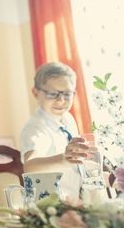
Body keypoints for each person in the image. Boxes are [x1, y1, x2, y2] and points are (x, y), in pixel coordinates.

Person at [19, 62, 88, 201]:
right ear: (36, 93)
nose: (61, 100)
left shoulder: (68, 119)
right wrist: (62, 160)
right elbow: (30, 166)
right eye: (52, 94)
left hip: (73, 201)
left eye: (67, 94)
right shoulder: (36, 128)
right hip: (48, 207)